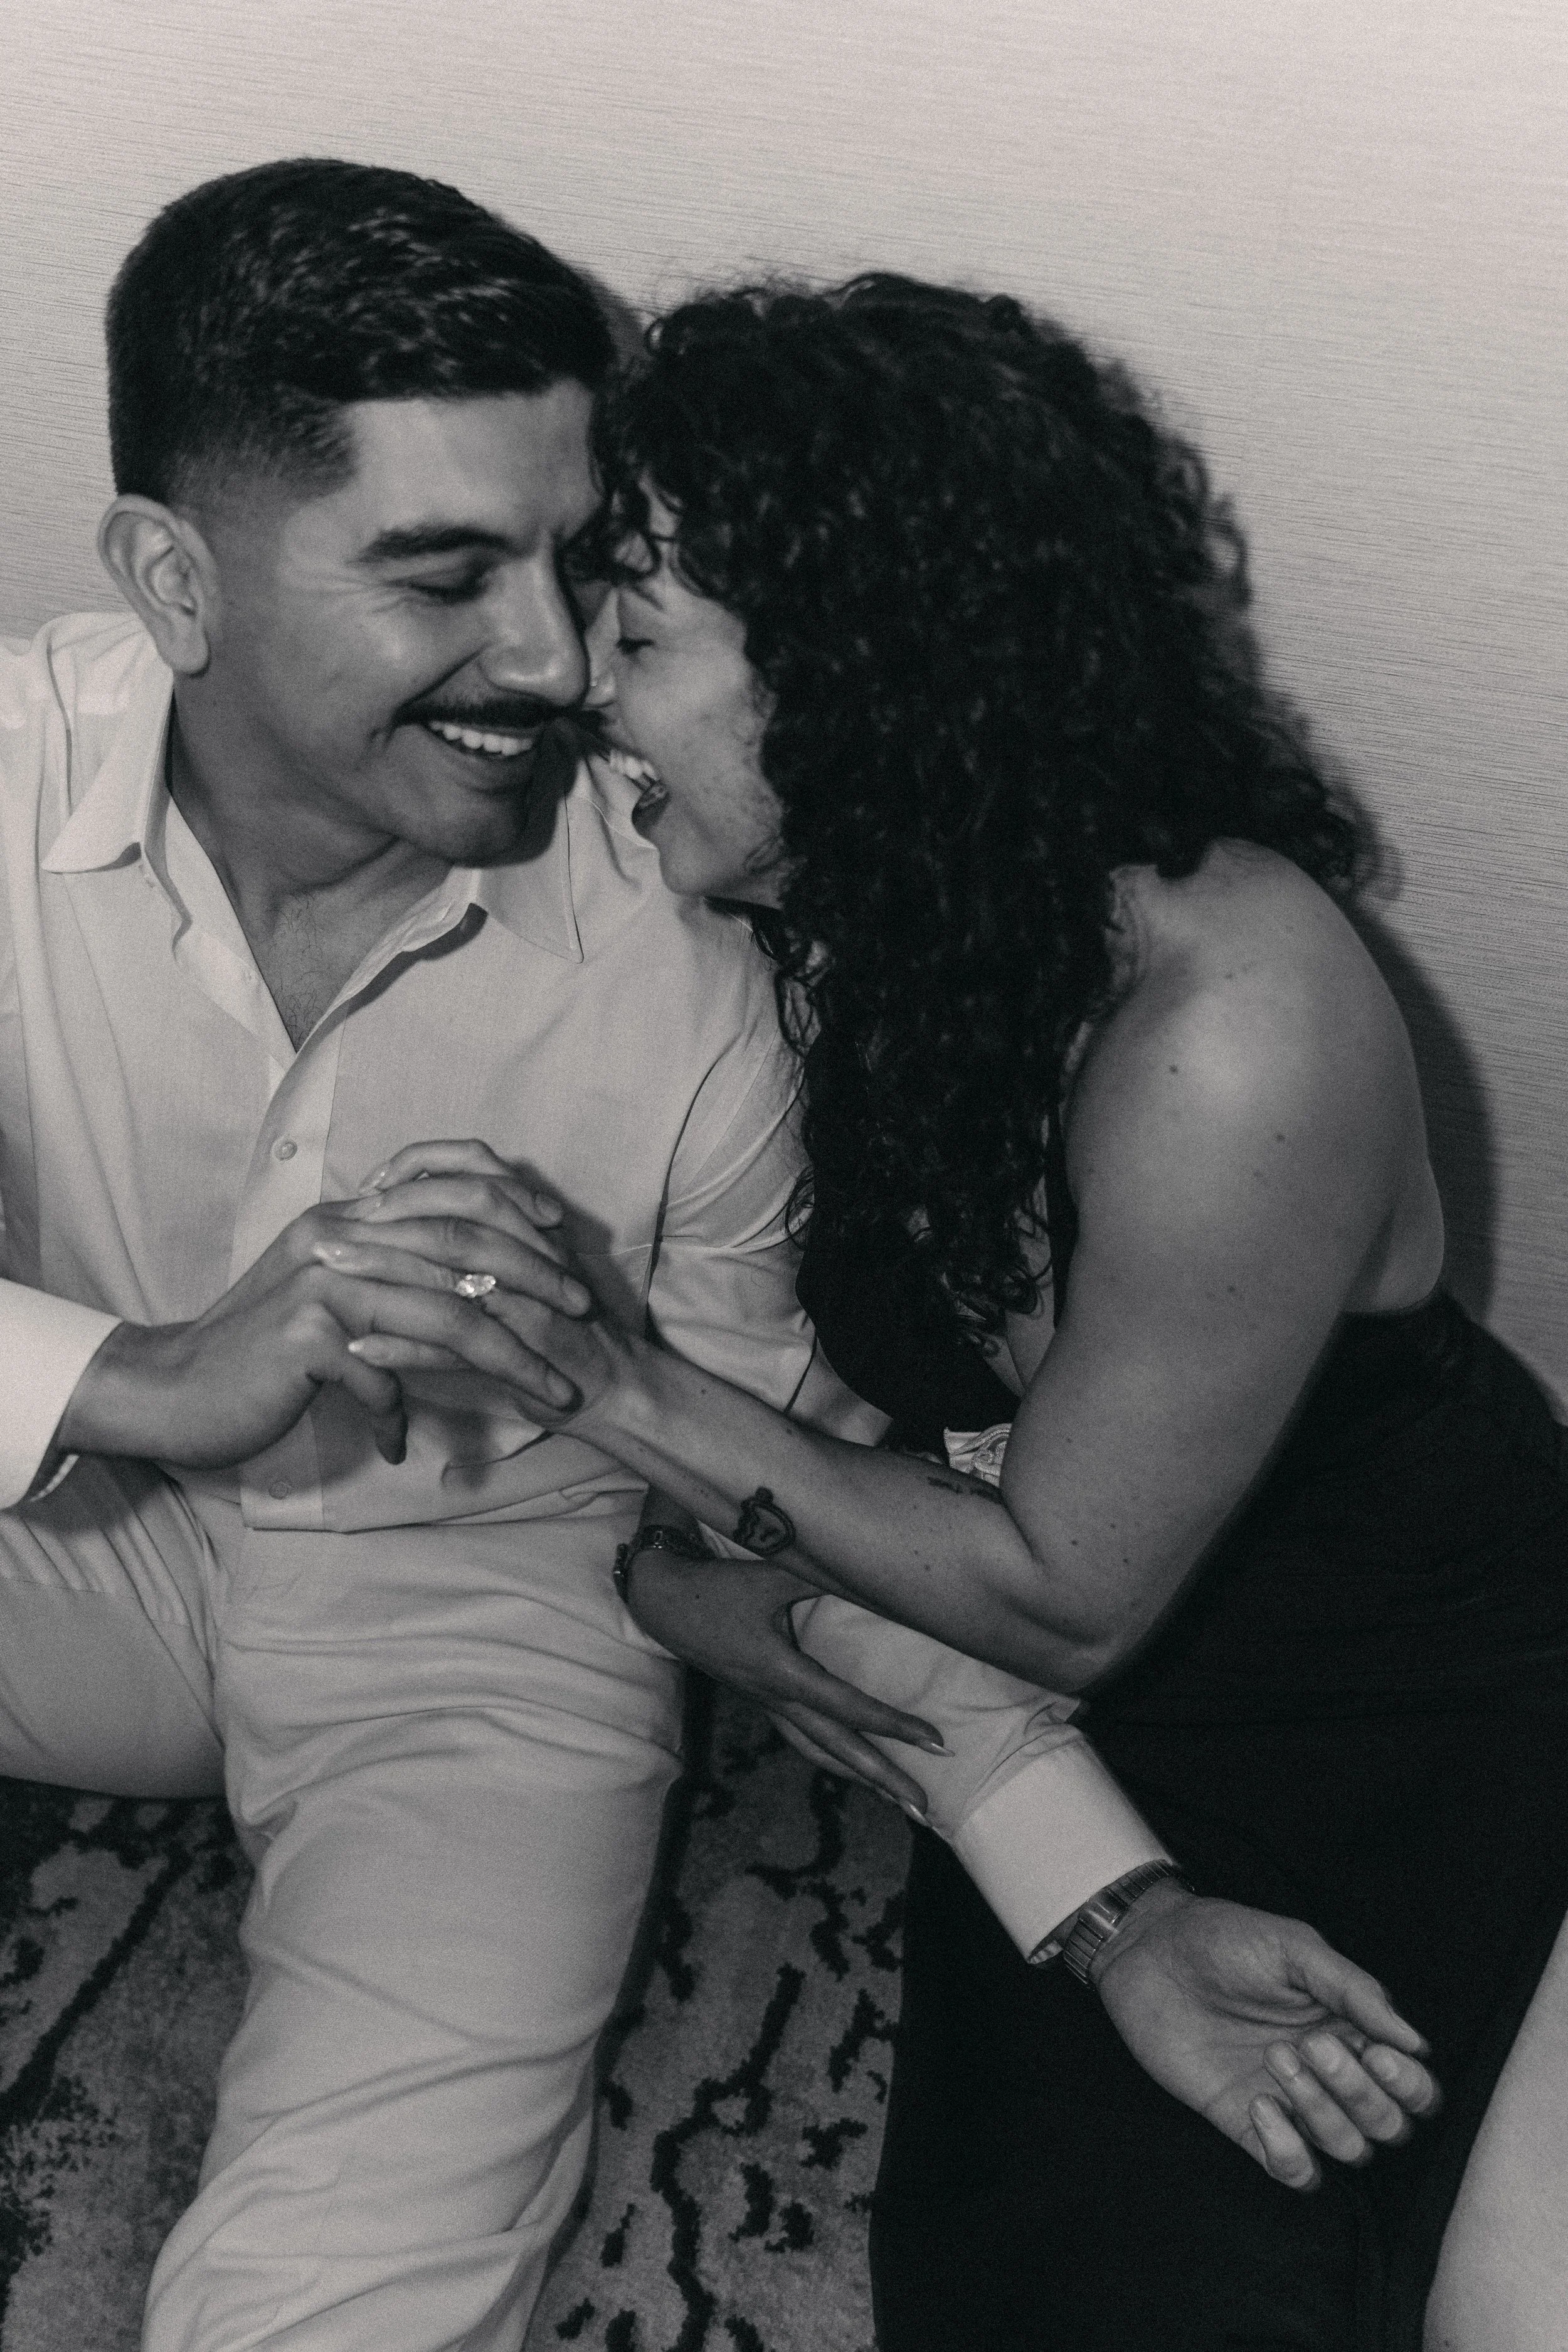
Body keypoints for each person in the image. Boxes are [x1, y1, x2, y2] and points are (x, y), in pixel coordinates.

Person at [0, 169, 1436, 2352]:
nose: (552, 663)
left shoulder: (715, 925)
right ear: (172, 578)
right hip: (70, 1546)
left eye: (583, 570)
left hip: (483, 1628)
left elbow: (778, 1478)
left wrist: (1102, 1897)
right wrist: (138, 1380)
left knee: (338, 2298)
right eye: (443, 575)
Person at [366, 278, 1568, 2348]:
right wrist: (697, 1579)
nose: (574, 689)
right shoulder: (883, 913)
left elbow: (1053, 1590)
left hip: (1406, 1697)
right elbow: (879, 1459)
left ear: (861, 664)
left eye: (638, 633)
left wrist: (613, 1381)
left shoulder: (1229, 1026)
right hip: (1092, 1712)